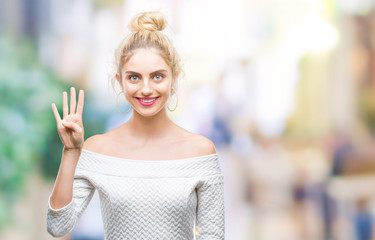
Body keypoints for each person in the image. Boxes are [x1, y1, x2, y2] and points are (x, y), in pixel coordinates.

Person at [46, 11, 225, 239]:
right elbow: (58, 226)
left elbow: (213, 235)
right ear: (120, 81)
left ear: (174, 79)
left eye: (158, 76)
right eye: (134, 77)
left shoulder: (200, 151)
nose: (146, 88)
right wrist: (71, 152)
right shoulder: (98, 149)